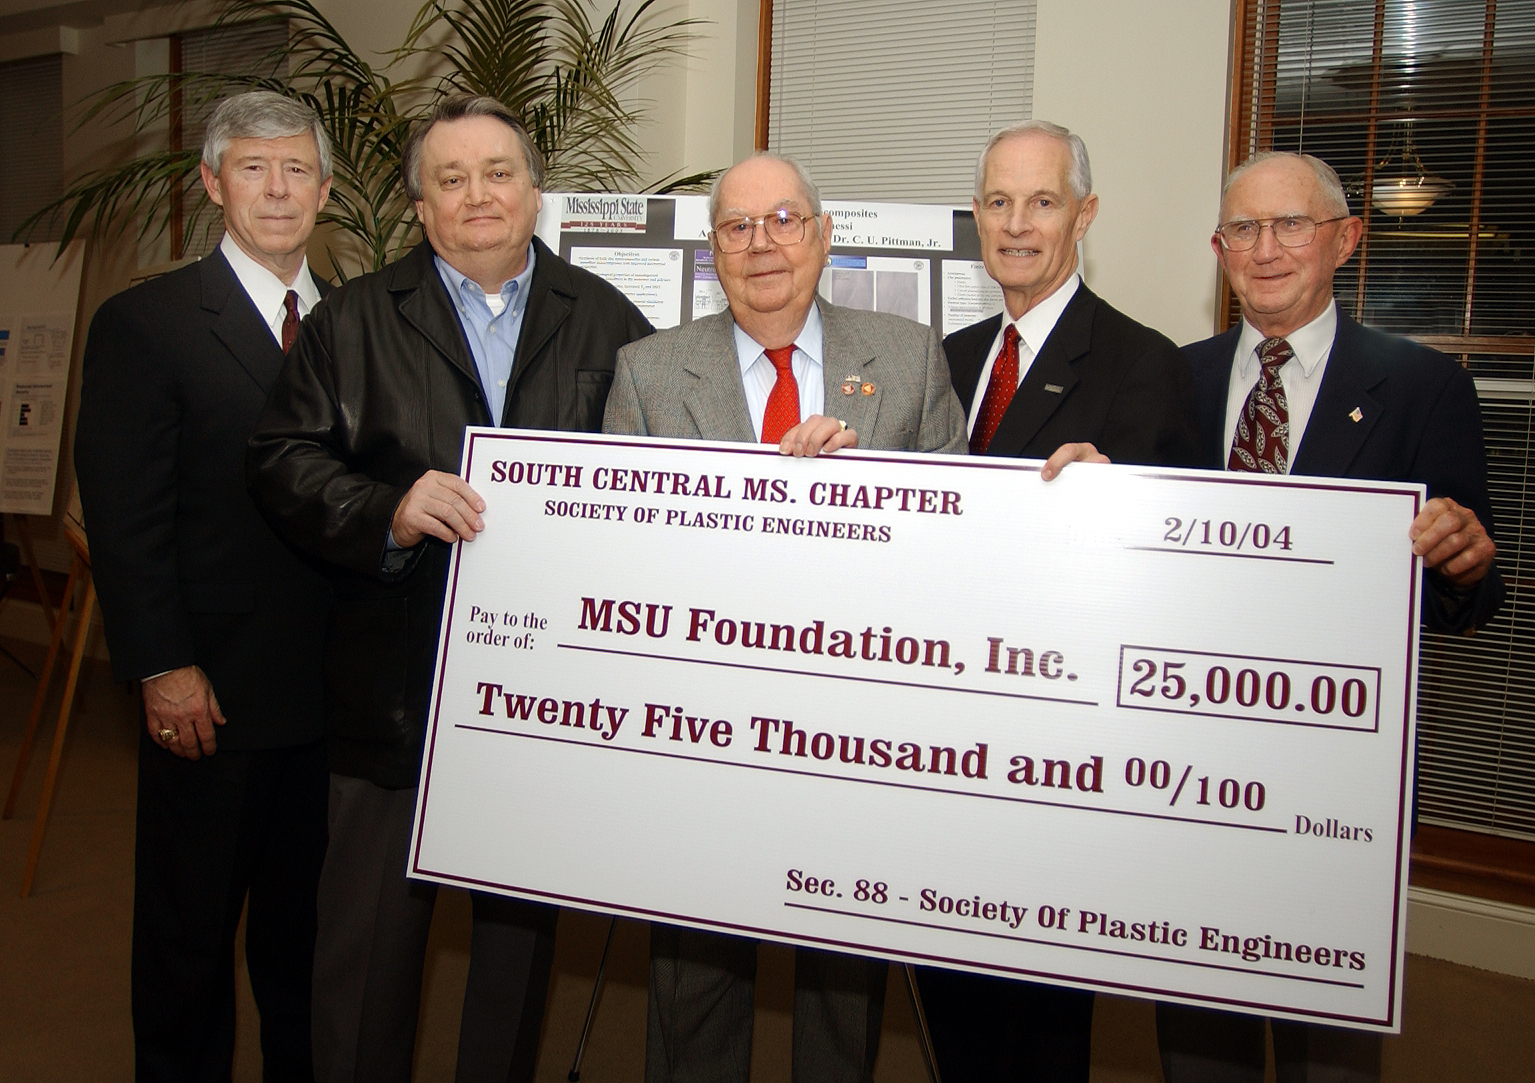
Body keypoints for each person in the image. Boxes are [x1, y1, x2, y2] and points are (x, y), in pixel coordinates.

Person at [246, 94, 652, 1083]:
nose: (479, 196)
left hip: (541, 697)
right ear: (420, 206)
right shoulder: (353, 321)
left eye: (498, 173)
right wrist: (386, 509)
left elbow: (664, 470)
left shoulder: (603, 316)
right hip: (394, 690)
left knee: (515, 955)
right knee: (367, 952)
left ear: (534, 192)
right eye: (451, 179)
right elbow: (280, 459)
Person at [603, 151, 966, 1083]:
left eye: (783, 220)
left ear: (823, 234)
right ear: (711, 247)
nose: (761, 244)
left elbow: (961, 548)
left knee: (842, 987)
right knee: (693, 981)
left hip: (857, 728)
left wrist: (862, 502)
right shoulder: (646, 373)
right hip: (700, 727)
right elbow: (615, 562)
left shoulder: (910, 356)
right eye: (736, 226)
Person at [1155, 150, 1503, 1083]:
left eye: (1290, 225)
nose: (1265, 249)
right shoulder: (1170, 381)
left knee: (1328, 1035)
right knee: (1197, 1014)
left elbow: (1465, 591)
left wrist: (1464, 559)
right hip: (1185, 760)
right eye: (1242, 229)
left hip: (1337, 775)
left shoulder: (1424, 387)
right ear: (1217, 249)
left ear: (1343, 240)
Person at [913, 119, 1202, 1083]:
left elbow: (1174, 581)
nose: (1016, 224)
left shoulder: (1141, 361)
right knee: (947, 998)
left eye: (1041, 201)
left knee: (1035, 1026)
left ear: (1084, 214)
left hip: (1055, 753)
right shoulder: (943, 360)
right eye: (996, 202)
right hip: (935, 739)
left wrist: (1114, 502)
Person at [74, 90, 334, 1082]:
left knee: (305, 941)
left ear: (323, 187)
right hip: (208, 696)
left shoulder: (352, 321)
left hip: (329, 699)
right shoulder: (146, 323)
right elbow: (125, 517)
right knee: (188, 941)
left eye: (297, 169)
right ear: (213, 183)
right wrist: (162, 667)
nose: (277, 188)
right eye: (255, 168)